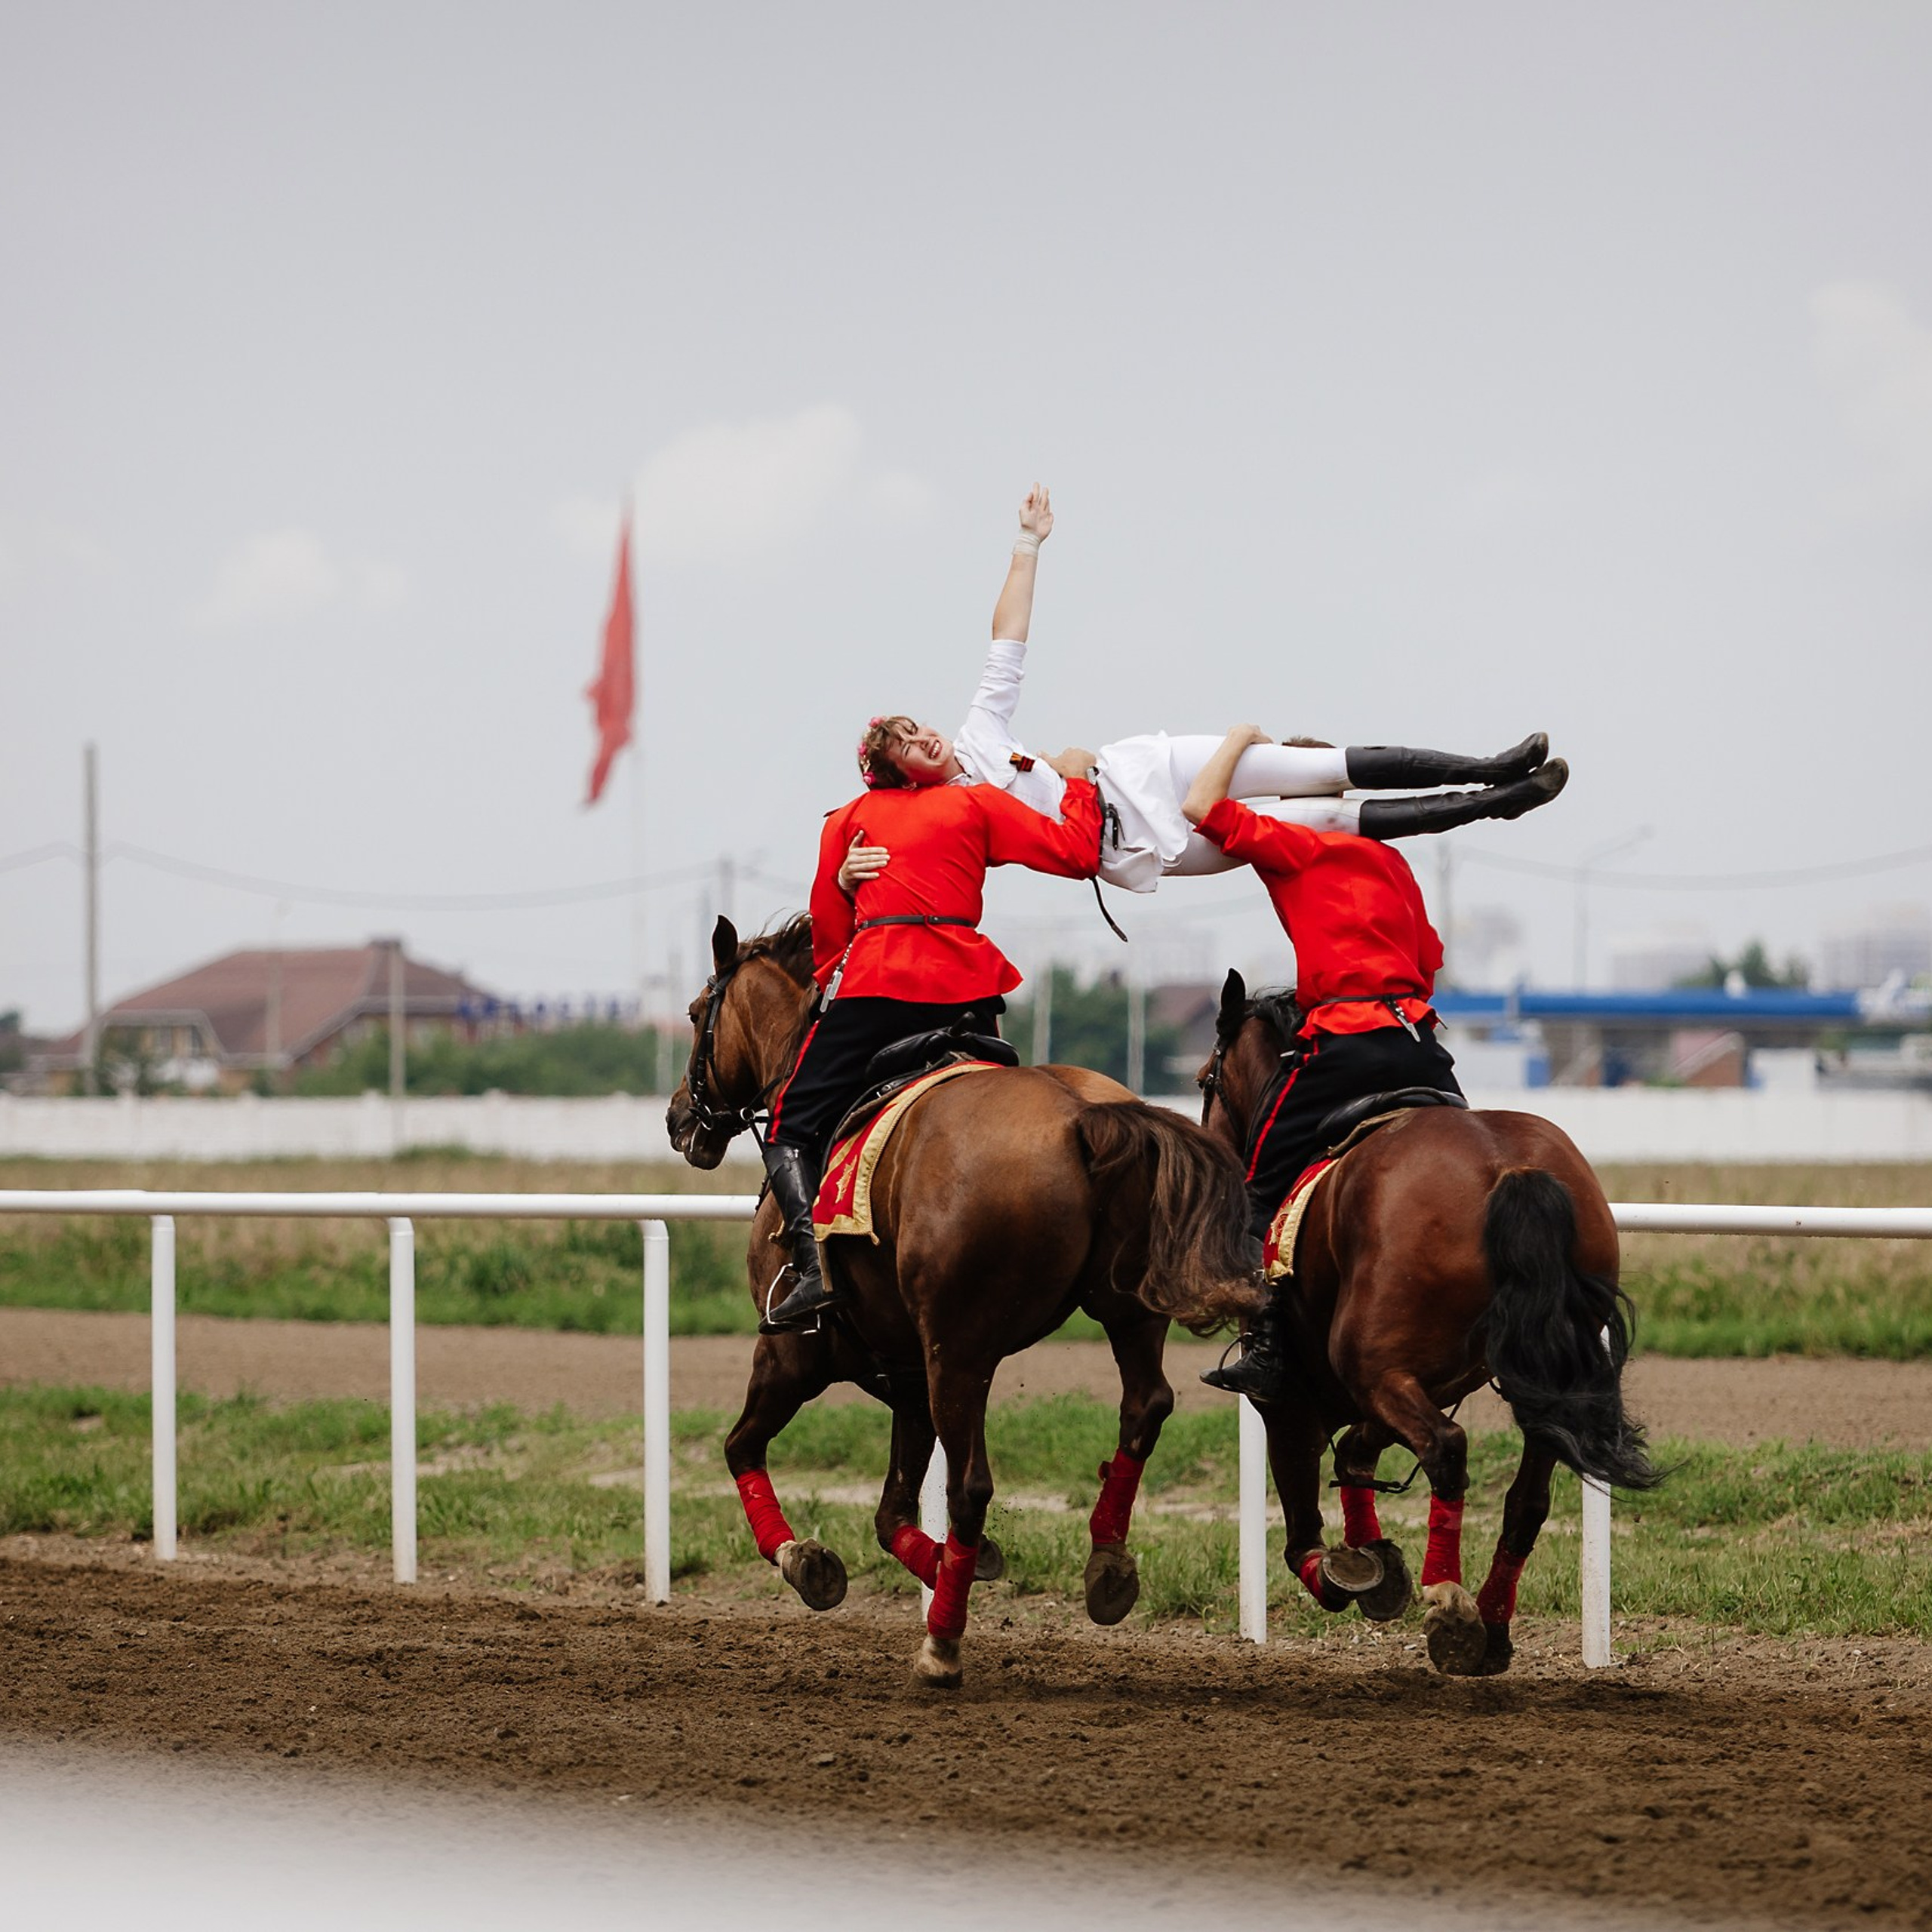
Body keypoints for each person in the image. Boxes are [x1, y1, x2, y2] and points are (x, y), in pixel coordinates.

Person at [841, 487, 1566, 900]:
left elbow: (1008, 642)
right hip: (1143, 842)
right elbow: (906, 865)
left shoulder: (977, 737)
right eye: (905, 746)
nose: (922, 738)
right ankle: (1498, 804)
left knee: (1317, 765)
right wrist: (847, 877)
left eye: (914, 725)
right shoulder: (943, 816)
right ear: (903, 776)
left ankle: (1493, 765)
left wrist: (1028, 544)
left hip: (1140, 771)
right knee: (1323, 818)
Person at [1179, 722, 1483, 1405]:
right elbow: (1428, 963)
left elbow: (1200, 806)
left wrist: (1237, 742)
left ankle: (1266, 1345)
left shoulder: (1288, 843)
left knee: (1258, 1192)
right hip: (1418, 1046)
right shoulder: (1390, 860)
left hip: (1342, 1044)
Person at [755, 757, 1109, 1334]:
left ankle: (813, 1268)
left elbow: (827, 936)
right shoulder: (977, 802)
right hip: (968, 987)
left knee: (791, 1125)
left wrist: (846, 896)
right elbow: (1077, 853)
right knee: (1004, 1096)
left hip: (877, 987)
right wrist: (1076, 784)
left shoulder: (849, 819)